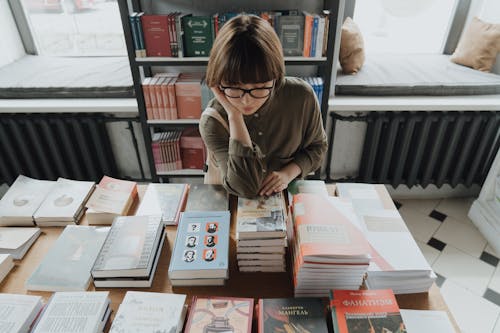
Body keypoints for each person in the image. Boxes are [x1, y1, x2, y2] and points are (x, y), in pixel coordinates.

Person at [200, 14, 327, 199]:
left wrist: (288, 173)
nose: (246, 101)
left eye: (259, 87)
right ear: (218, 82)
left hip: (287, 197)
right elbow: (244, 188)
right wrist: (235, 117)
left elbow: (317, 147)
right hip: (235, 207)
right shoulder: (213, 121)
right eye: (235, 88)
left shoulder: (302, 97)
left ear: (275, 77)